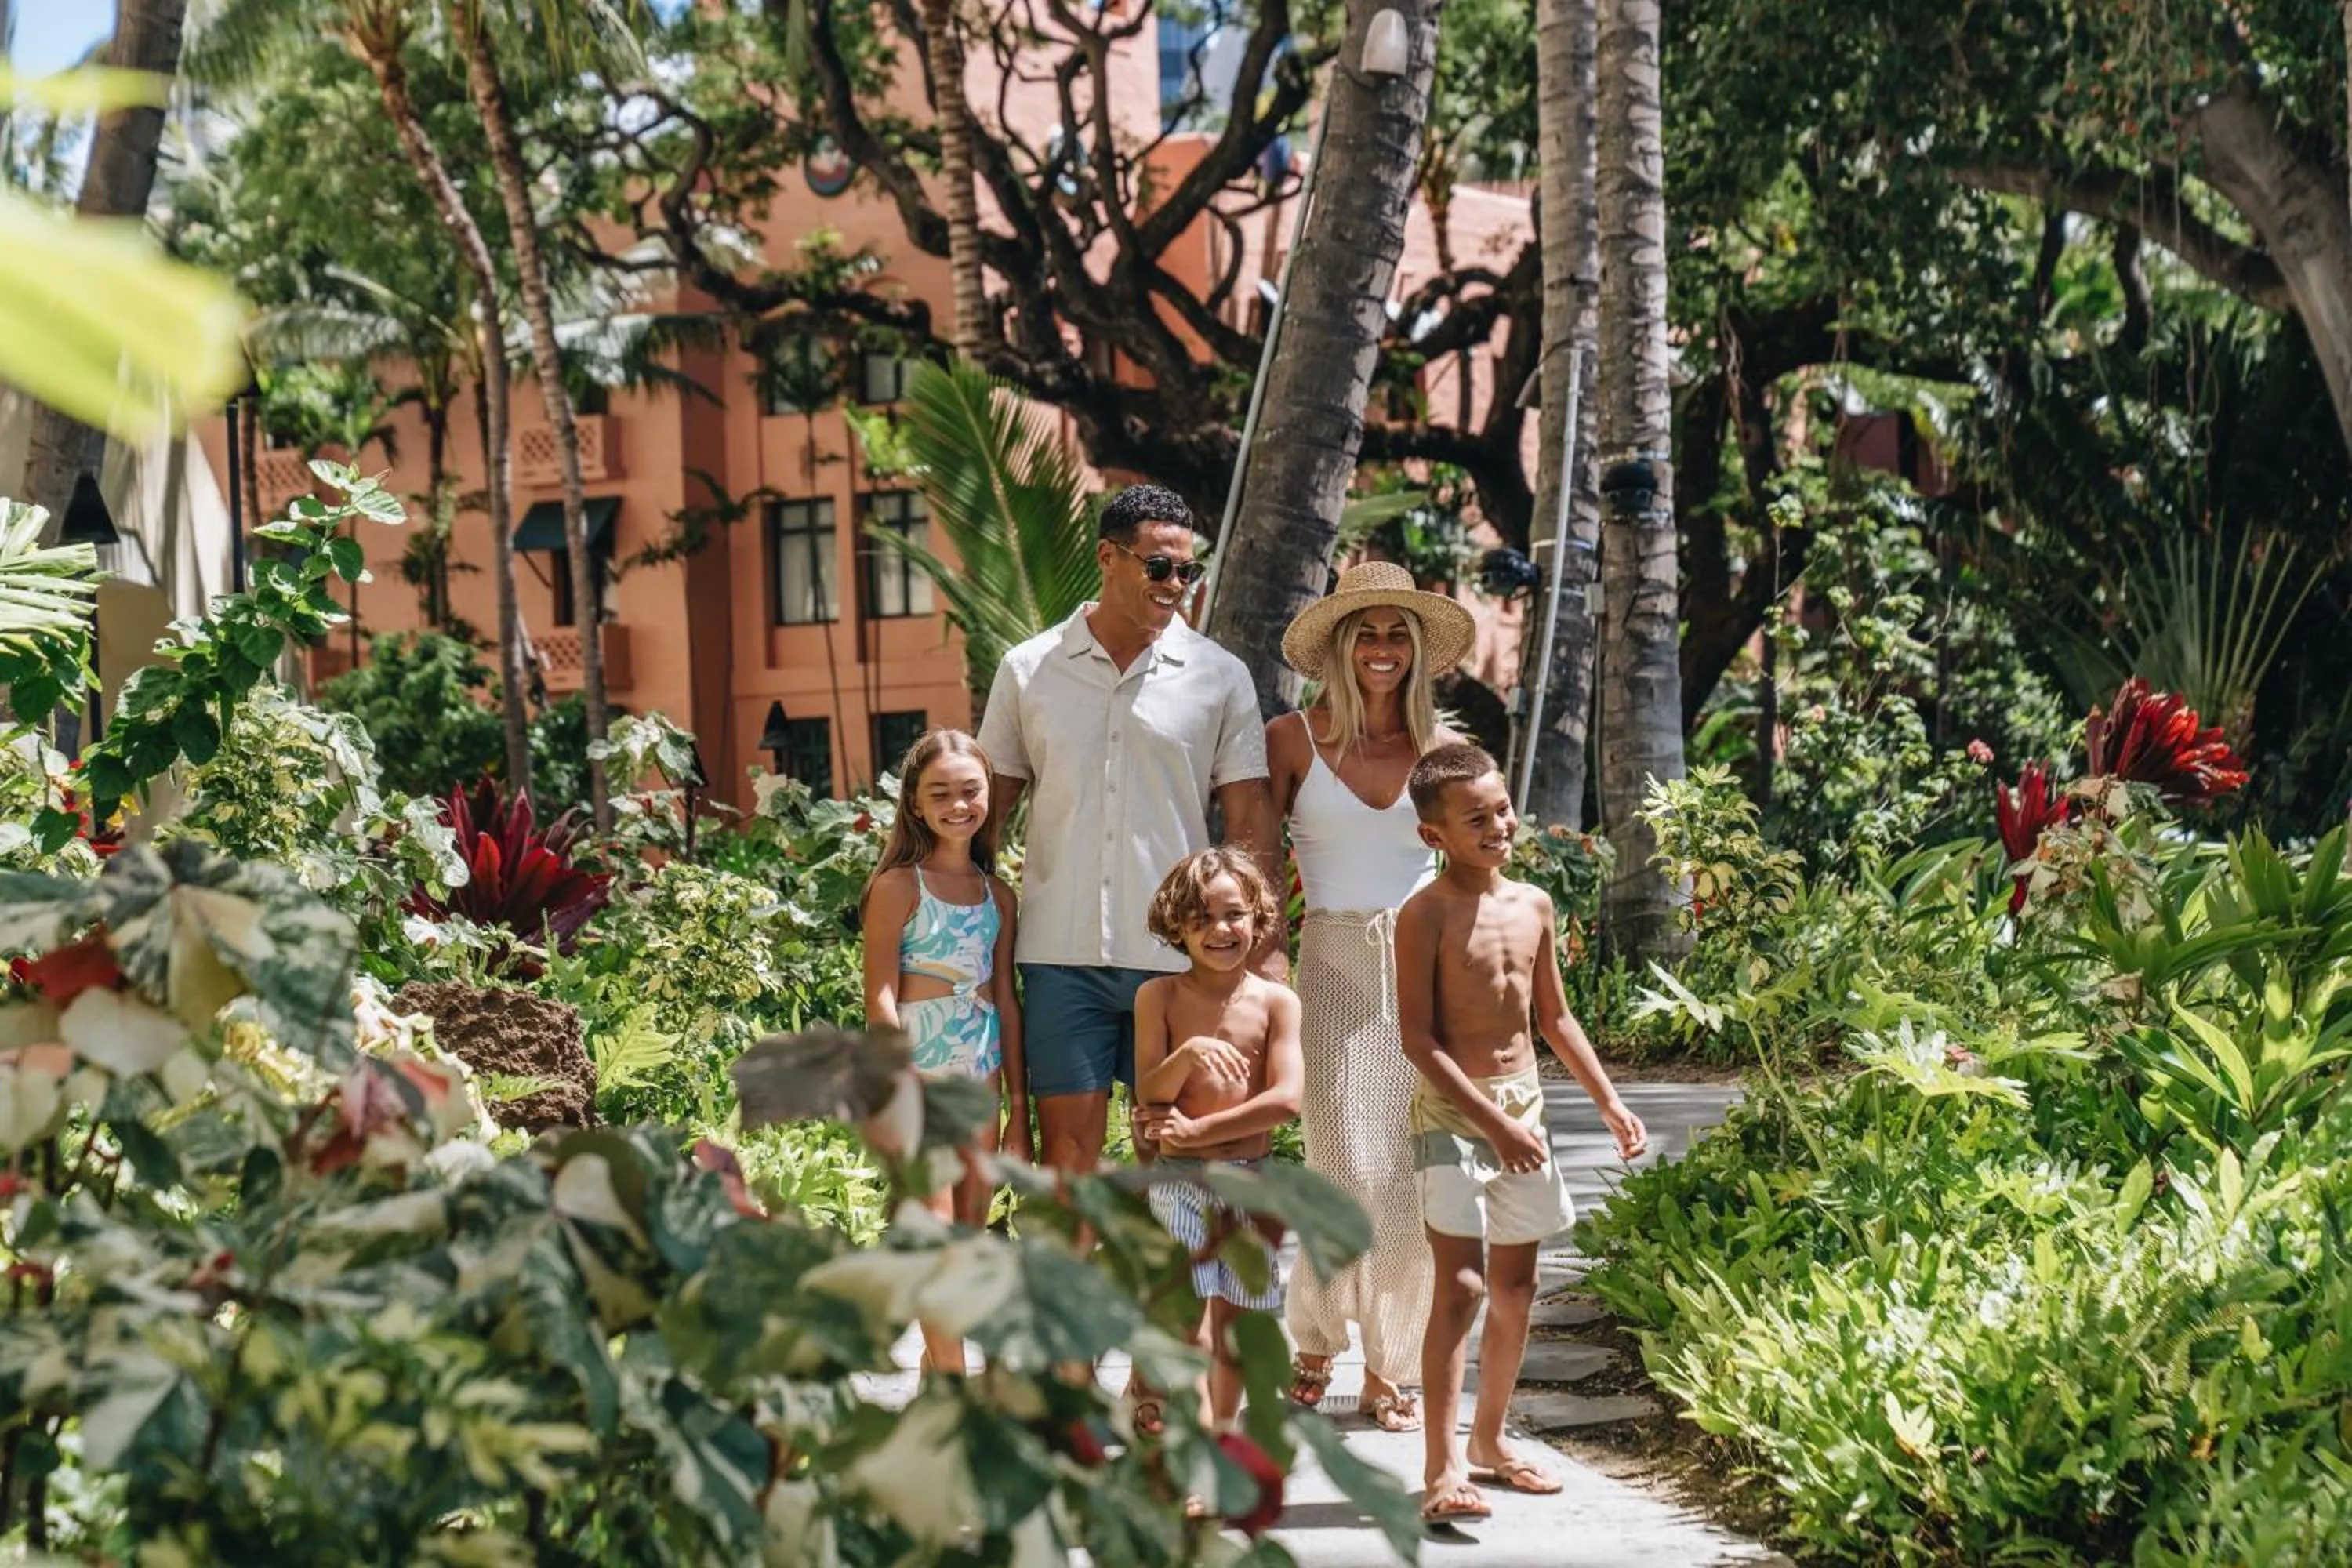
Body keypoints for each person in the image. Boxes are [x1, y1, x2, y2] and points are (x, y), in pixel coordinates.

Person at [977, 483, 1276, 1174]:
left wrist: (1266, 952)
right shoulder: (1028, 670)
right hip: (1060, 956)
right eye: (1158, 567)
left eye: (1187, 571)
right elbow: (987, 814)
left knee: (1171, 1158)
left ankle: (1163, 1287)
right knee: (1069, 1162)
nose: (1176, 585)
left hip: (1179, 959)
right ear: (1107, 558)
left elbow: (1250, 820)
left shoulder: (1220, 676)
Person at [1392, 743, 1649, 1524]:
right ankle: (1440, 1470)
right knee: (1462, 1286)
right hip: (1456, 1111)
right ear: (1434, 835)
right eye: (1477, 818)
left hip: (1523, 1106)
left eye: (1503, 808)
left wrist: (1608, 1100)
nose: (1499, 824)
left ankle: (1491, 1443)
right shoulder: (1423, 914)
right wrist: (1493, 1122)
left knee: (1516, 1285)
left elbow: (1554, 1016)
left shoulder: (1534, 902)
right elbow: (1418, 1039)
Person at [1265, 559, 1479, 1432]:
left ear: (1417, 648)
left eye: (1398, 633)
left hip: (1424, 968)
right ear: (1342, 648)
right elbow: (1254, 858)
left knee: (1403, 1174)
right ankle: (1315, 1335)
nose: (1383, 649)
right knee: (1337, 1164)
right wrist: (1262, 968)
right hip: (1328, 962)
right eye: (1369, 633)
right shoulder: (1291, 738)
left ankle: (1389, 1363)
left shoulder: (1449, 752)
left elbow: (1480, 871)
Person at [859, 728, 1027, 1375]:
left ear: (989, 795)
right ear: (916, 805)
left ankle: (939, 1372)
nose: (959, 806)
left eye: (970, 791)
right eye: (941, 794)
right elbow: (879, 997)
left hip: (980, 1071)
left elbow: (1006, 1001)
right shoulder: (900, 886)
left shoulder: (998, 897)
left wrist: (1017, 1107)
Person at [1132, 848, 1304, 1434]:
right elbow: (1151, 1091)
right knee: (1189, 1324)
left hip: (1250, 1183)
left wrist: (1198, 1129)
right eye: (1200, 918)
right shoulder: (1158, 998)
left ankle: (1224, 1437)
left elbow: (1286, 1100)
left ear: (1257, 917)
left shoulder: (1277, 1002)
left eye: (1232, 914)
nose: (1219, 930)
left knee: (1237, 1327)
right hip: (1178, 1185)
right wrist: (1191, 1052)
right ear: (1176, 926)